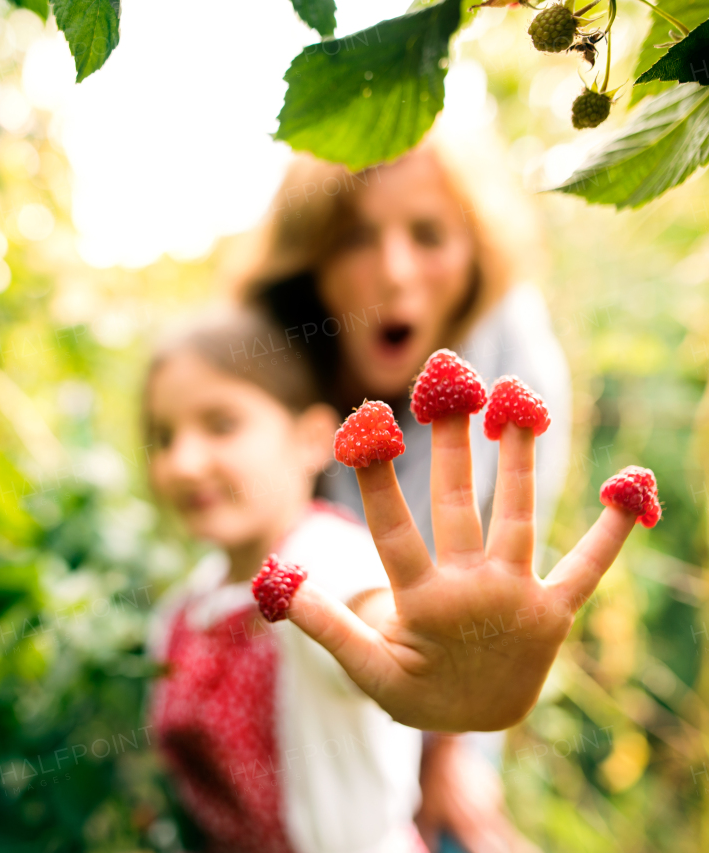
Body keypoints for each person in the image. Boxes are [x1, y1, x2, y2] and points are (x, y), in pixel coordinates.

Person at [231, 125, 572, 852]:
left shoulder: (517, 362)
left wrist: (452, 753)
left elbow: (508, 562)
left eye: (428, 234)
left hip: (465, 657)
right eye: (354, 236)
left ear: (476, 257)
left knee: (459, 823)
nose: (393, 271)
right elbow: (272, 558)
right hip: (308, 668)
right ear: (312, 260)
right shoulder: (267, 369)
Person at [143, 310, 430, 853]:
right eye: (162, 436)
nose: (181, 462)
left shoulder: (324, 555)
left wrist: (414, 643)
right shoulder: (183, 608)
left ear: (310, 439)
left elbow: (374, 618)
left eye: (221, 424)